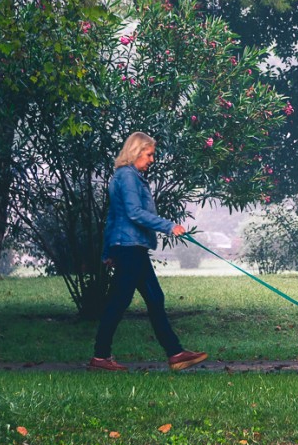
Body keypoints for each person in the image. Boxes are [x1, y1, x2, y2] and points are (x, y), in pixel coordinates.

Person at [88, 132, 208, 372]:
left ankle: (175, 353)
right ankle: (101, 357)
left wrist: (108, 250)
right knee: (121, 301)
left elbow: (113, 216)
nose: (152, 159)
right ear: (136, 151)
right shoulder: (128, 177)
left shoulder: (125, 176)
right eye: (149, 154)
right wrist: (169, 226)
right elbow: (133, 213)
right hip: (130, 248)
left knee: (153, 298)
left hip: (130, 247)